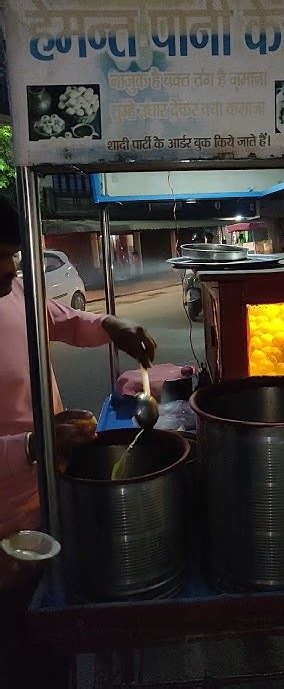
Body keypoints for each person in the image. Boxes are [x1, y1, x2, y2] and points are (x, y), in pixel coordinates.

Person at [0, 195, 157, 538]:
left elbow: (64, 321)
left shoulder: (15, 293)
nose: (10, 269)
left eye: (12, 255)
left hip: (50, 493)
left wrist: (110, 324)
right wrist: (30, 446)